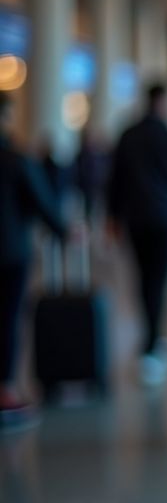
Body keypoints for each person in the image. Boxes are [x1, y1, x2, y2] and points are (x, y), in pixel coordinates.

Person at [106, 83, 167, 387]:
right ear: (165, 102)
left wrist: (113, 217)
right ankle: (154, 341)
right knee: (160, 279)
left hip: (136, 218)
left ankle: (151, 337)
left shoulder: (128, 136)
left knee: (143, 278)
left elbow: (115, 179)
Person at [0, 94, 68, 430]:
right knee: (8, 319)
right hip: (10, 252)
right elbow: (42, 202)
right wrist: (65, 231)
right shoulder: (15, 158)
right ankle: (5, 390)